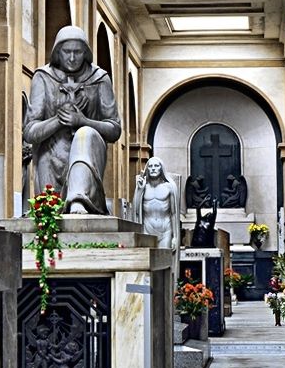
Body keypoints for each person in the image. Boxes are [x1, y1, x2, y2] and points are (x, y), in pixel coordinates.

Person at [23, 26, 121, 214]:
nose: (72, 58)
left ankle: (79, 198)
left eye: (78, 52)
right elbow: (29, 133)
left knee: (85, 134)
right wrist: (59, 120)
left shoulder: (99, 78)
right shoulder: (43, 77)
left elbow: (114, 129)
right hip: (51, 154)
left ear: (86, 53)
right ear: (57, 52)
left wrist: (83, 121)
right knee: (49, 213)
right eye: (67, 52)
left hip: (89, 148)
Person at [132, 157, 179, 251]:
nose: (153, 168)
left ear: (161, 169)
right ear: (147, 169)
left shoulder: (169, 187)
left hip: (165, 229)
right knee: (147, 262)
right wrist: (139, 190)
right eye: (150, 166)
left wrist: (175, 236)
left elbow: (174, 213)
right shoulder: (143, 187)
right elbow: (135, 210)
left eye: (156, 166)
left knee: (164, 261)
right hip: (147, 229)